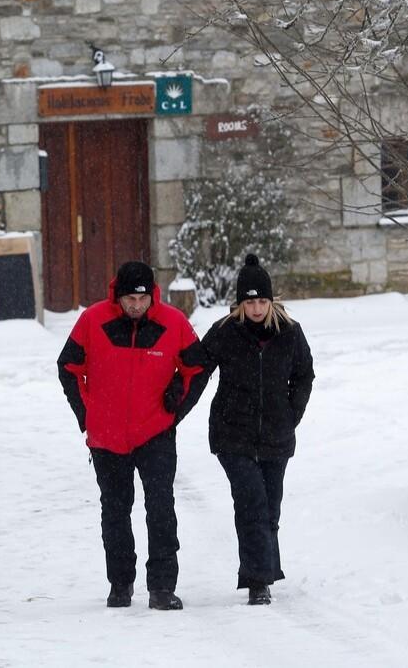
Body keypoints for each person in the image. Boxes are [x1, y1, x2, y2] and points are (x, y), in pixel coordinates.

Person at [57, 261, 206, 610]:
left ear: (152, 294)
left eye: (142, 298)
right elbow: (68, 368)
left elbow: (197, 369)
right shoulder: (92, 321)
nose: (136, 306)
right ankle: (120, 584)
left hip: (155, 432)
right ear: (117, 296)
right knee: (115, 510)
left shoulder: (174, 323)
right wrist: (87, 416)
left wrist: (175, 408)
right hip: (107, 437)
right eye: (129, 298)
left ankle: (162, 587)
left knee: (161, 508)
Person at [199, 254, 314, 605]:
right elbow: (197, 370)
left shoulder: (290, 333)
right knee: (251, 501)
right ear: (240, 303)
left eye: (262, 300)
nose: (257, 308)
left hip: (276, 436)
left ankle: (262, 568)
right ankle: (258, 581)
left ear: (271, 300)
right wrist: (171, 407)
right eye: (250, 302)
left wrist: (290, 414)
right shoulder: (223, 333)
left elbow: (304, 376)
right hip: (232, 434)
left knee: (269, 508)